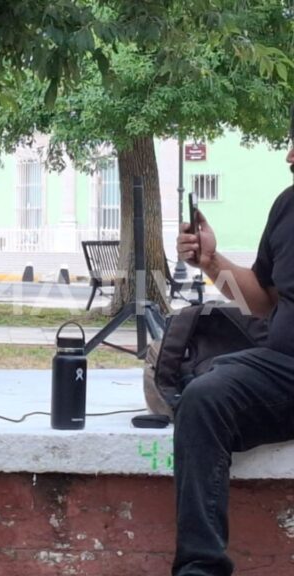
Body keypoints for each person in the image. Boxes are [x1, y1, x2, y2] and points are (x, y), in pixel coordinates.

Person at [172, 147, 294, 575]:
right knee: (203, 396)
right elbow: (263, 300)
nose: (290, 155)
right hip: (284, 371)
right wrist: (210, 261)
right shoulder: (287, 206)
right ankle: (200, 568)